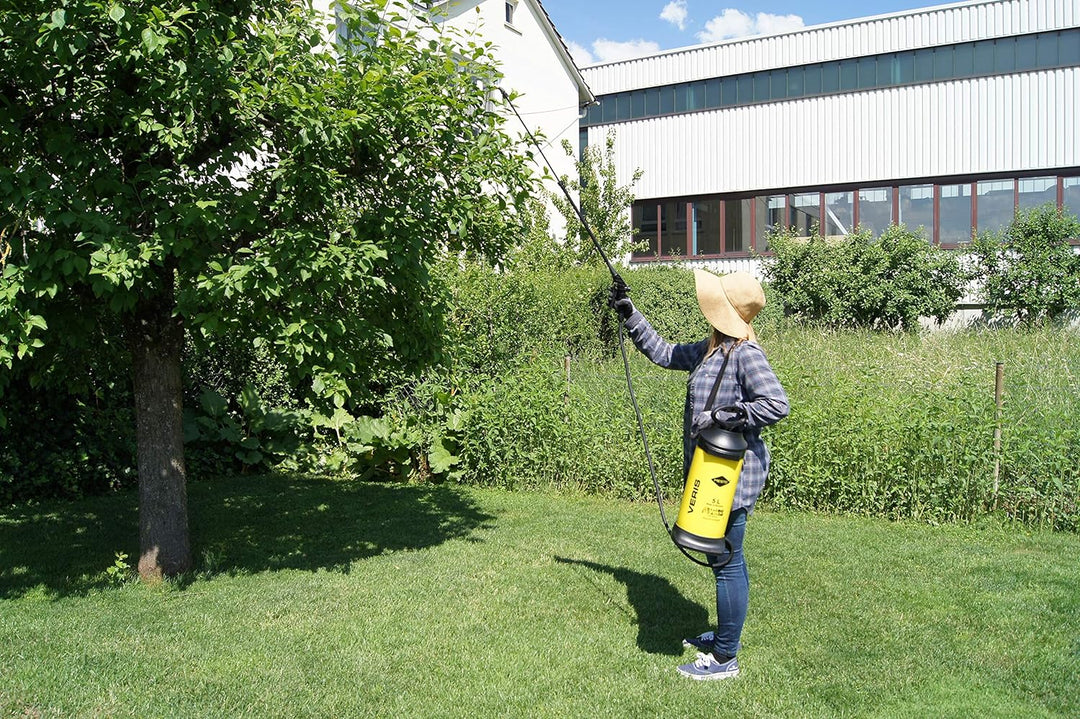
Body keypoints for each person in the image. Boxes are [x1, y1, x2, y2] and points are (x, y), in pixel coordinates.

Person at [608, 269, 789, 681]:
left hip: (731, 476)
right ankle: (724, 638)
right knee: (722, 558)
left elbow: (777, 404)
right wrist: (630, 313)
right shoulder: (712, 349)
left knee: (726, 560)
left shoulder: (744, 353)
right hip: (710, 473)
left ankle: (725, 659)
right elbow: (665, 353)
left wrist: (726, 415)